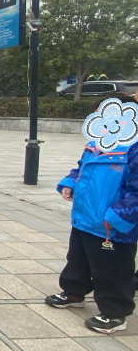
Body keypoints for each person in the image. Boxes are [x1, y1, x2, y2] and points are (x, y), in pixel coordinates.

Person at [45, 140, 138, 333]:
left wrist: (119, 215)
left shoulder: (133, 149)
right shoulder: (96, 143)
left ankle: (115, 311)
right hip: (85, 217)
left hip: (112, 225)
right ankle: (75, 291)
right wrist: (70, 182)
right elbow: (82, 168)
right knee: (77, 258)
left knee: (113, 269)